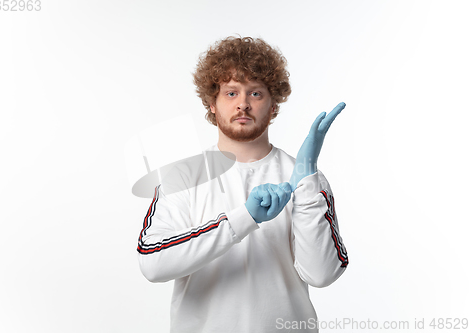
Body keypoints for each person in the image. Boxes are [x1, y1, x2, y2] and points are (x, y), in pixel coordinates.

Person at [136, 36, 349, 333]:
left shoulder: (304, 176)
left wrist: (306, 180)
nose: (244, 104)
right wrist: (245, 218)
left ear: (274, 105)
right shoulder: (183, 176)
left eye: (256, 94)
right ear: (212, 103)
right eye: (231, 93)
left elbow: (322, 274)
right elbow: (153, 261)